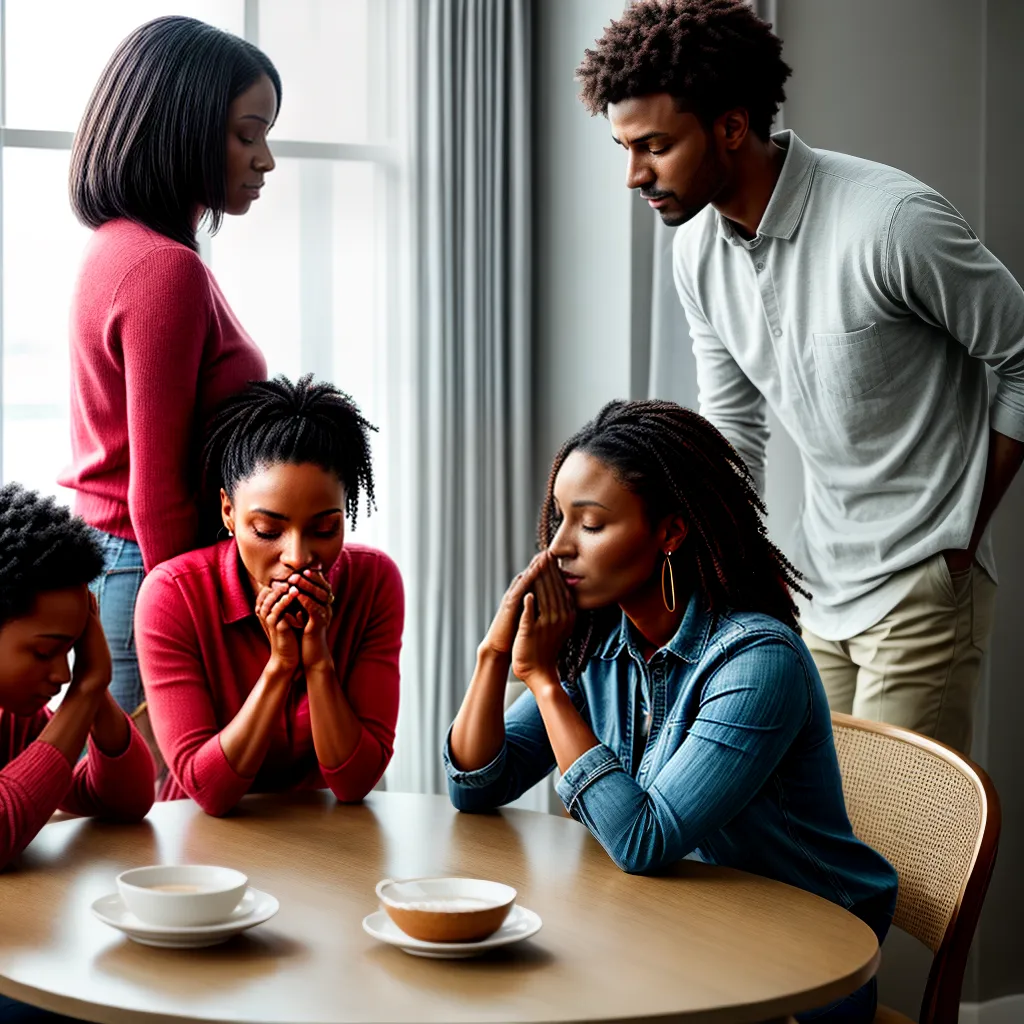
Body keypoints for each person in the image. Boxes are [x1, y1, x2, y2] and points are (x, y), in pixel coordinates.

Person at [574, 0, 1024, 754]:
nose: (633, 175)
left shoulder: (890, 223)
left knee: (898, 855)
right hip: (816, 582)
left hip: (922, 579)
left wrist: (965, 533)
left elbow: (1020, 356)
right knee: (810, 831)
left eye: (653, 145)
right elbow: (732, 430)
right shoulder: (696, 254)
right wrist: (739, 578)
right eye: (625, 147)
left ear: (730, 126)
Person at [446, 400, 897, 1023]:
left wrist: (543, 682)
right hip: (662, 936)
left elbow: (641, 840)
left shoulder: (756, 664)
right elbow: (476, 786)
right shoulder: (600, 646)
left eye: (591, 525)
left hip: (798, 969)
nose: (557, 550)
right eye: (558, 521)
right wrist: (494, 654)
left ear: (669, 533)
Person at [58, 16, 280, 714]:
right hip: (142, 568)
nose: (266, 158)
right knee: (155, 805)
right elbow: (155, 491)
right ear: (182, 128)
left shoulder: (118, 246)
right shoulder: (162, 269)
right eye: (247, 134)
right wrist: (190, 620)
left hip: (114, 561)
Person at [134, 376, 403, 817]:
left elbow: (355, 783)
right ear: (228, 512)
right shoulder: (171, 596)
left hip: (324, 837)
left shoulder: (374, 583)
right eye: (267, 531)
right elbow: (209, 792)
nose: (297, 556)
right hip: (201, 846)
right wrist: (280, 666)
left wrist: (317, 662)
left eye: (324, 529)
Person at [0, 484, 155, 868]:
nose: (63, 673)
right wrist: (86, 691)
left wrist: (96, 693)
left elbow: (122, 801)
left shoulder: (14, 720)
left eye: (70, 649)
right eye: (43, 652)